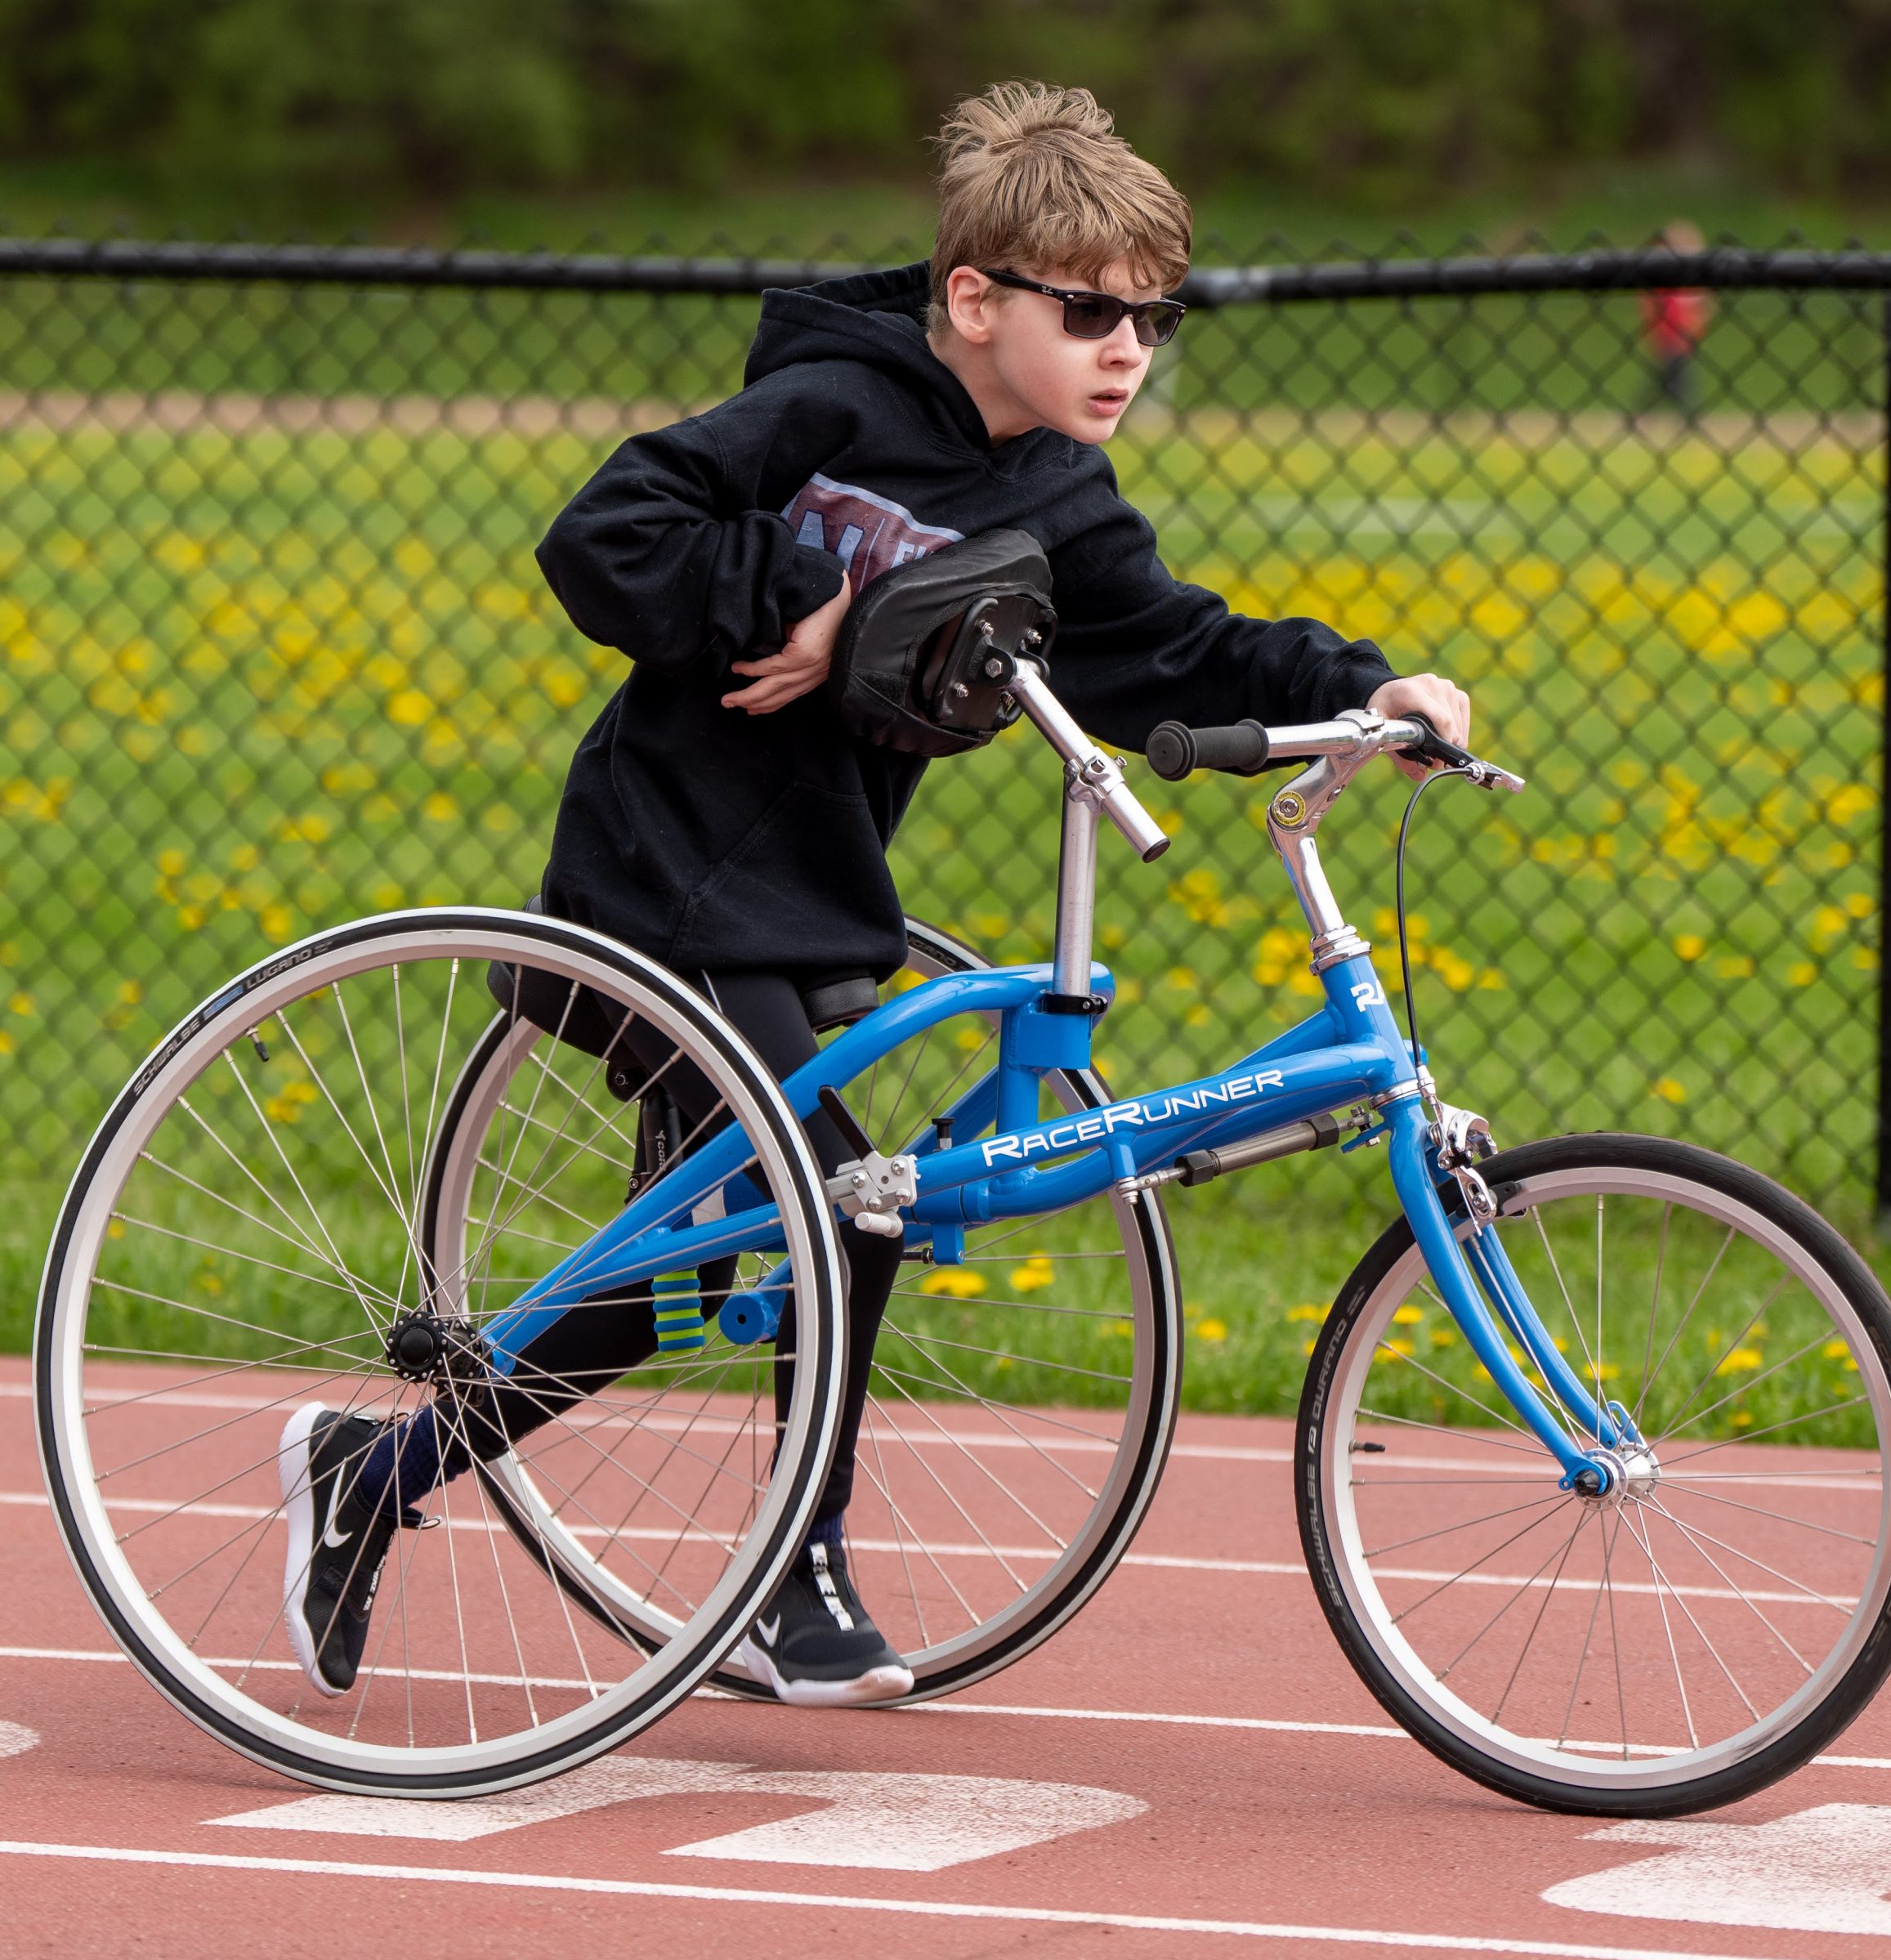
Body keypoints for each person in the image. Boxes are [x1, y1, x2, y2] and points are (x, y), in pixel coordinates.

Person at [278, 80, 1473, 1709]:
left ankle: (371, 1472)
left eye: (1153, 318)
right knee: (842, 1199)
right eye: (1090, 313)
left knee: (702, 1257)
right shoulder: (831, 408)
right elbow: (602, 536)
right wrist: (824, 593)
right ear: (973, 302)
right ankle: (792, 1567)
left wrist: (1365, 687)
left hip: (808, 900)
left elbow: (1169, 646)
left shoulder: (1058, 495)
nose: (1127, 349)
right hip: (659, 875)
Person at [1639, 221, 1712, 417]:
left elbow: (1699, 305)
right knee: (1675, 377)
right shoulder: (1662, 275)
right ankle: (1689, 415)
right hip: (1668, 330)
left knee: (1672, 377)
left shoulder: (1686, 276)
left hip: (1679, 330)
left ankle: (1647, 413)